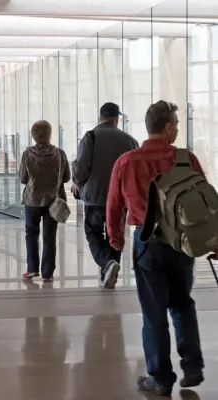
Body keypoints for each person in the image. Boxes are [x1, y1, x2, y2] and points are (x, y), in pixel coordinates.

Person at [107, 100, 205, 397]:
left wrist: (115, 240)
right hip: (182, 243)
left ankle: (161, 378)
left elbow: (114, 205)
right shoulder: (187, 159)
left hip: (147, 243)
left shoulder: (126, 161)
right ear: (168, 126)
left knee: (154, 313)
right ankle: (193, 367)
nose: (176, 129)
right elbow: (204, 204)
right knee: (182, 304)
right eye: (175, 123)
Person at [72, 102, 139, 289]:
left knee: (93, 232)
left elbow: (81, 169)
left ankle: (107, 263)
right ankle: (109, 276)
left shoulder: (91, 136)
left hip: (95, 196)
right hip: (119, 198)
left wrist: (77, 182)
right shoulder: (130, 141)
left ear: (100, 117)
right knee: (114, 235)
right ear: (117, 119)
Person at [19, 120, 70, 282]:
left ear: (34, 136)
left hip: (32, 200)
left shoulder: (27, 154)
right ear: (49, 134)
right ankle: (48, 272)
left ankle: (32, 269)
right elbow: (67, 177)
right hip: (53, 201)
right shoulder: (60, 154)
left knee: (31, 234)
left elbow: (22, 178)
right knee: (50, 236)